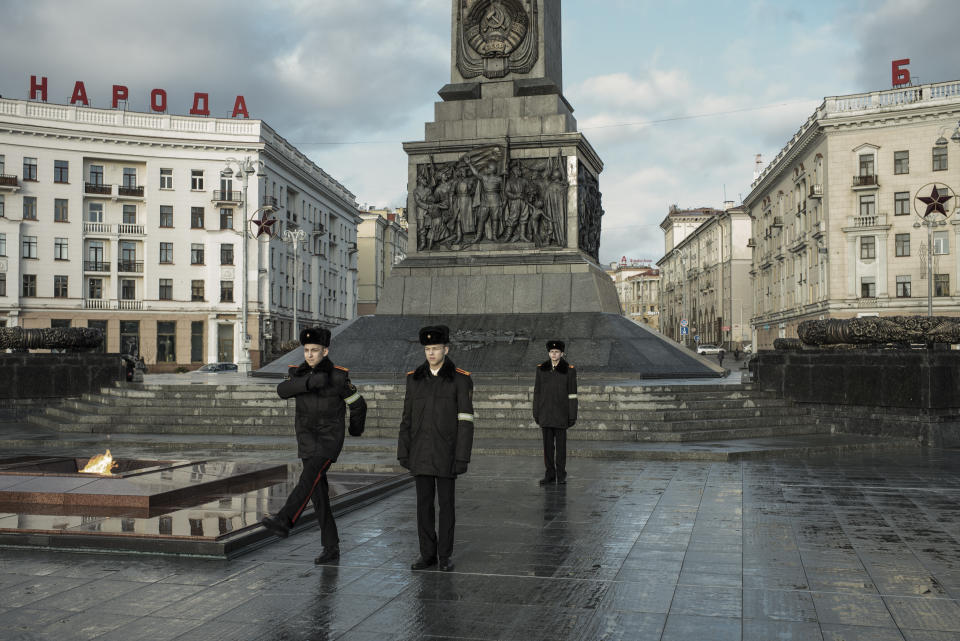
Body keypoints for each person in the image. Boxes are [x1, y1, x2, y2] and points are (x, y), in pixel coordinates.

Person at [261, 327, 367, 565]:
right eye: (307, 350)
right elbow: (282, 391)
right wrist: (308, 382)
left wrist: (354, 430)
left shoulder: (338, 376)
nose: (309, 355)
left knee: (307, 480)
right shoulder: (297, 373)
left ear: (325, 351)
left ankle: (284, 520)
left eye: (315, 350)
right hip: (307, 439)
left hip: (329, 441)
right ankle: (331, 547)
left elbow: (358, 404)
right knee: (318, 495)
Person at [398, 325, 474, 572]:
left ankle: (444, 556)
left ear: (446, 349)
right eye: (427, 349)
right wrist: (404, 451)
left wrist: (462, 456)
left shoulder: (460, 379)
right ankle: (427, 555)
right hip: (420, 453)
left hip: (447, 454)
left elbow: (465, 421)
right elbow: (406, 419)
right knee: (424, 507)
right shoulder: (414, 379)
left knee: (447, 507)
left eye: (436, 348)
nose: (431, 353)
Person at [533, 340, 577, 485]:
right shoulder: (541, 369)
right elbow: (537, 393)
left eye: (557, 352)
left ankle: (561, 474)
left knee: (561, 448)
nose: (554, 354)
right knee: (548, 449)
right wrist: (536, 412)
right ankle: (550, 474)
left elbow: (572, 395)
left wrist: (572, 415)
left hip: (561, 414)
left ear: (562, 353)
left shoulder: (569, 370)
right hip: (545, 414)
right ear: (548, 353)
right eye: (552, 352)